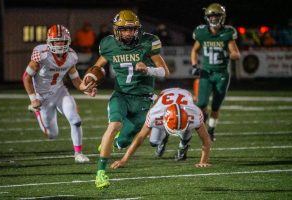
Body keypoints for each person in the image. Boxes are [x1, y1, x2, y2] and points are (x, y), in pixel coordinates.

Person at [81, 10, 170, 189]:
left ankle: (115, 142)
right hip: (121, 95)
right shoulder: (109, 44)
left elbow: (165, 72)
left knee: (122, 143)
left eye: (132, 29)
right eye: (124, 30)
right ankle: (101, 173)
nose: (129, 33)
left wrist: (148, 70)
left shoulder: (147, 42)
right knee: (114, 125)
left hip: (143, 99)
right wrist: (88, 82)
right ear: (116, 30)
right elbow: (97, 68)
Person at [23, 24, 96, 163]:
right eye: (56, 41)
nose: (59, 44)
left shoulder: (71, 56)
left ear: (67, 41)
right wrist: (33, 99)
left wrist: (86, 89)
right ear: (50, 41)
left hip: (59, 92)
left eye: (62, 41)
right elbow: (26, 77)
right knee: (52, 135)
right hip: (42, 96)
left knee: (76, 120)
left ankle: (78, 154)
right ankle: (37, 112)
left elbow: (76, 80)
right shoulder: (41, 54)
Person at [110, 88, 211, 169]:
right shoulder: (155, 114)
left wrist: (203, 161)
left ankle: (183, 145)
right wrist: (124, 160)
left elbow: (205, 139)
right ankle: (163, 139)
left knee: (185, 132)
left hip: (184, 98)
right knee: (154, 141)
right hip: (165, 94)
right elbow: (140, 137)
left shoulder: (195, 114)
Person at [190, 3, 240, 142]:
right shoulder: (202, 32)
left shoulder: (227, 33)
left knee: (216, 106)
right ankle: (203, 123)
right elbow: (194, 50)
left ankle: (211, 130)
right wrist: (194, 65)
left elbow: (236, 53)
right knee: (201, 104)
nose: (214, 18)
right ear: (207, 17)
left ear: (222, 17)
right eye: (211, 15)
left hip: (221, 74)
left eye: (217, 15)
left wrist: (231, 55)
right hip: (206, 73)